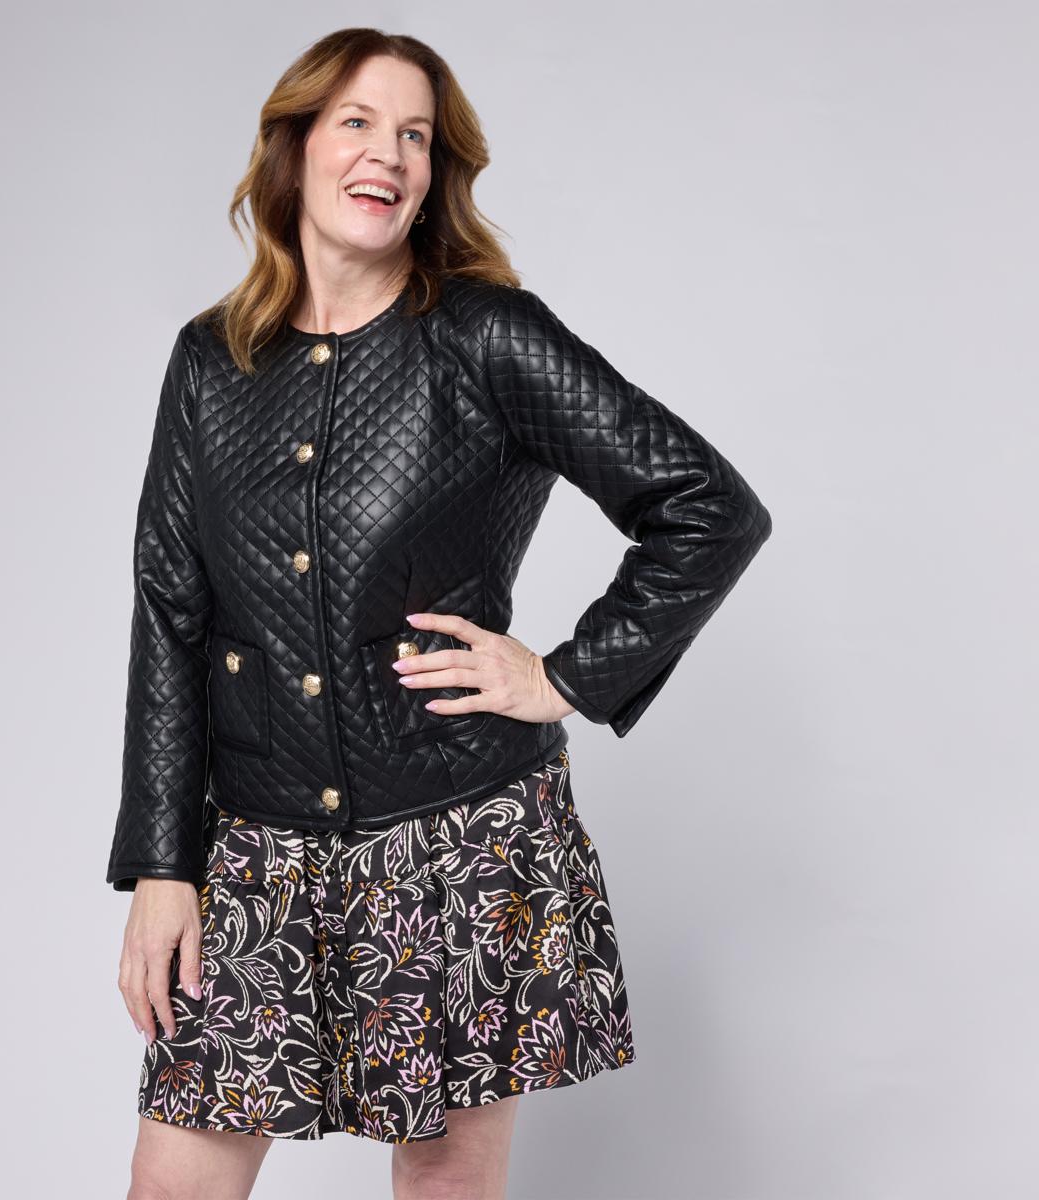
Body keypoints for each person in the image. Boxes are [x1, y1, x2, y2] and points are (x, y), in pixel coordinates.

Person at [107, 27, 772, 1200]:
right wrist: (163, 866)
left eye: (415, 135)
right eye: (358, 123)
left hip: (458, 842)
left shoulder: (486, 335)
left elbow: (708, 508)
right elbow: (171, 611)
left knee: (443, 1185)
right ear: (295, 147)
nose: (388, 154)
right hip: (254, 849)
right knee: (174, 1184)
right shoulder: (212, 360)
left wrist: (563, 677)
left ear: (434, 173)